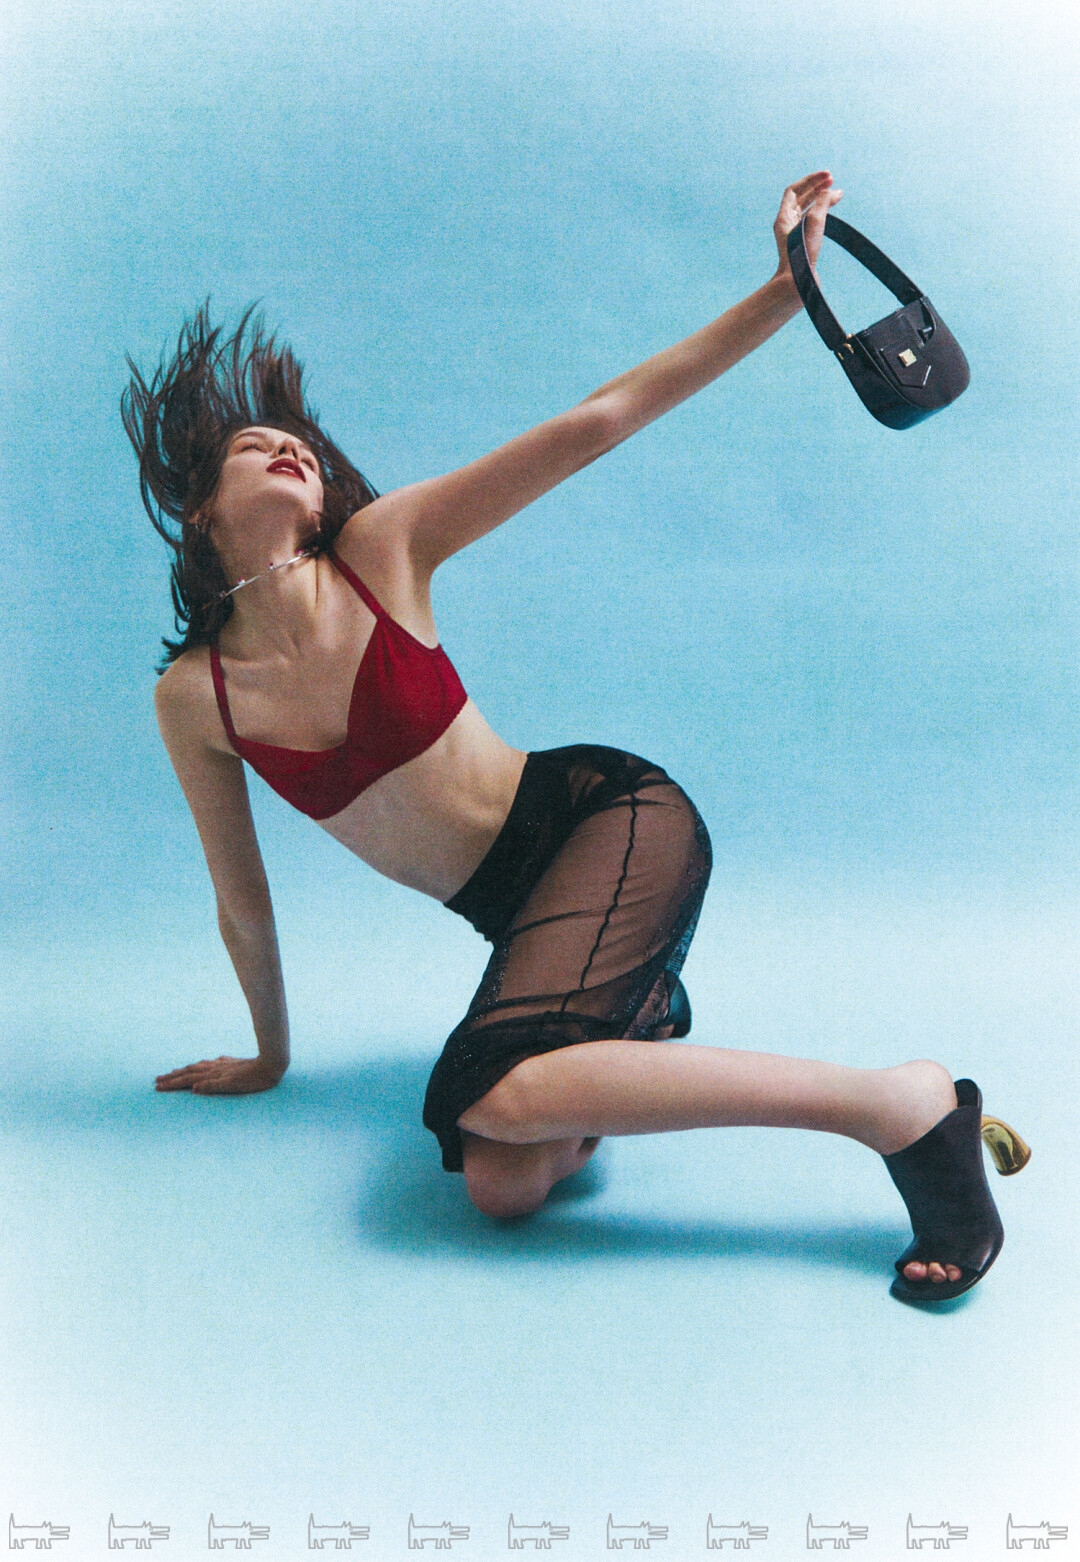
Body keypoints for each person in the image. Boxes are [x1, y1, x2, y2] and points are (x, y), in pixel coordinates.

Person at [124, 172, 1027, 1302]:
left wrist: (787, 290)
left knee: (492, 1092)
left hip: (611, 822)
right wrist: (270, 1055)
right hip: (522, 912)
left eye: (298, 443)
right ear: (200, 508)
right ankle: (631, 1020)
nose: (288, 449)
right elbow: (241, 897)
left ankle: (898, 1105)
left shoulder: (381, 553)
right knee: (502, 1184)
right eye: (255, 445)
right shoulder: (197, 698)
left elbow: (598, 419)